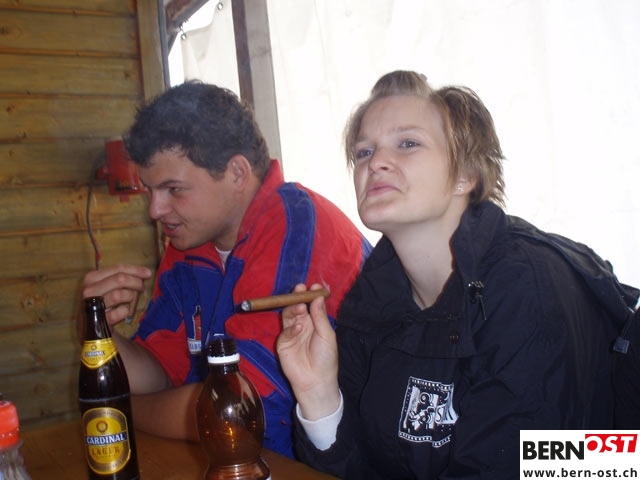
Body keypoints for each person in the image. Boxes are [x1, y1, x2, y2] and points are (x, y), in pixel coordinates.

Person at [276, 70, 640, 477]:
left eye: (408, 143)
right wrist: (319, 396)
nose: (375, 163)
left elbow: (517, 465)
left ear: (465, 175)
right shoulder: (372, 300)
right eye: (364, 152)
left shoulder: (527, 290)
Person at [80, 80, 372, 458]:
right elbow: (159, 374)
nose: (155, 210)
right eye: (150, 191)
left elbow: (241, 409)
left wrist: (117, 410)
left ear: (236, 173)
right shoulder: (188, 244)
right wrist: (98, 332)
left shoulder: (295, 225)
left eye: (174, 189)